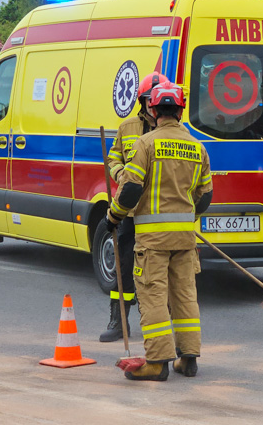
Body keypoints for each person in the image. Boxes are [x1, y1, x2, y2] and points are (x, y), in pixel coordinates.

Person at [106, 82, 213, 381]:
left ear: (153, 110)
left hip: (152, 241)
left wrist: (113, 217)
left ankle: (157, 363)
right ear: (180, 110)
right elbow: (205, 198)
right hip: (184, 238)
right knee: (184, 295)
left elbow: (130, 189)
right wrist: (184, 217)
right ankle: (188, 359)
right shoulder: (197, 147)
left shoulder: (145, 144)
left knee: (153, 297)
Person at [99, 71, 169, 343]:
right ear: (142, 102)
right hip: (130, 211)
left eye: (158, 100)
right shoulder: (127, 128)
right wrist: (119, 174)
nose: (154, 105)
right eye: (149, 100)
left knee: (164, 274)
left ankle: (167, 327)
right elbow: (114, 157)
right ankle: (118, 323)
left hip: (161, 215)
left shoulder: (174, 131)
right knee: (124, 267)